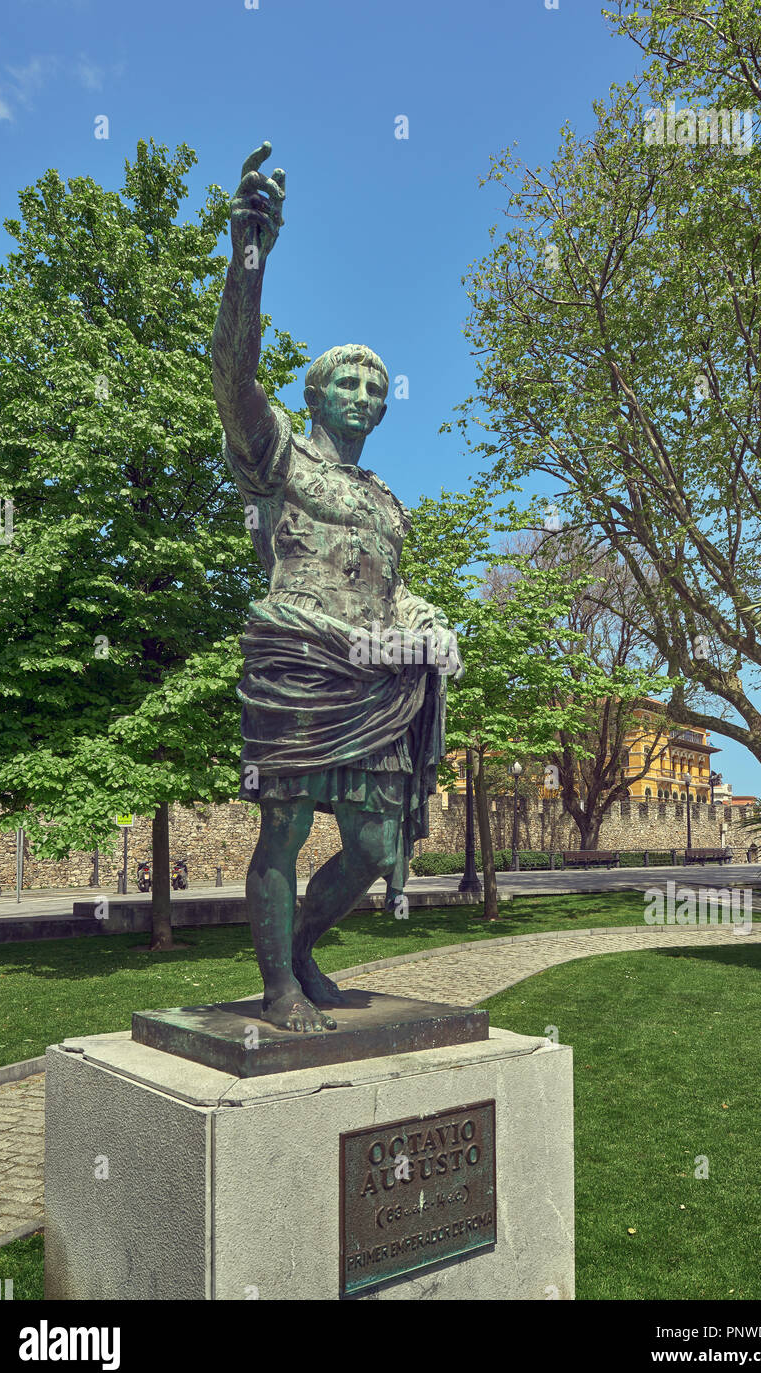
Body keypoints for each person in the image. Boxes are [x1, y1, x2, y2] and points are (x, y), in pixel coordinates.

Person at [212, 143, 459, 1034]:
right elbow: (231, 375)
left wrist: (426, 621)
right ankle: (277, 987)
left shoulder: (386, 501)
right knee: (280, 831)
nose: (362, 391)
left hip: (374, 677)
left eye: (374, 384)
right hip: (295, 663)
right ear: (313, 393)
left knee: (372, 846)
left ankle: (305, 947)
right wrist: (250, 255)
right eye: (344, 380)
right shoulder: (276, 455)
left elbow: (391, 595)